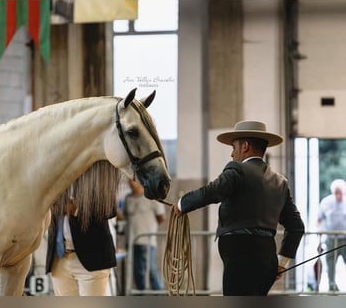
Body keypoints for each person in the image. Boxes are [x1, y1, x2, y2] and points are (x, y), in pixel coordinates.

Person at [173, 120, 305, 296]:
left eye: (234, 147)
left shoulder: (237, 170)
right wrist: (281, 261)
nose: (231, 153)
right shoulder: (280, 182)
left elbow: (212, 191)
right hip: (268, 256)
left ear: (245, 146)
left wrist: (183, 204)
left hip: (239, 255)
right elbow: (296, 227)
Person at [46, 197, 117, 296]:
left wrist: (79, 207)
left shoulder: (95, 180)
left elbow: (111, 209)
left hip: (93, 257)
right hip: (59, 258)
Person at [123, 179, 166, 291]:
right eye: (130, 181)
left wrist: (149, 228)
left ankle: (159, 295)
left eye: (134, 181)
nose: (131, 183)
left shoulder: (152, 198)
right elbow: (125, 216)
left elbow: (161, 217)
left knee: (151, 269)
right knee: (137, 272)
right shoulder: (128, 198)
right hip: (131, 241)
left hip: (147, 241)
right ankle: (141, 296)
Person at [317, 178, 346, 291]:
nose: (338, 195)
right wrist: (319, 236)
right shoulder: (326, 202)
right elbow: (319, 220)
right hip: (331, 239)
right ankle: (332, 285)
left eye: (340, 192)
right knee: (330, 263)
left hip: (345, 239)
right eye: (336, 193)